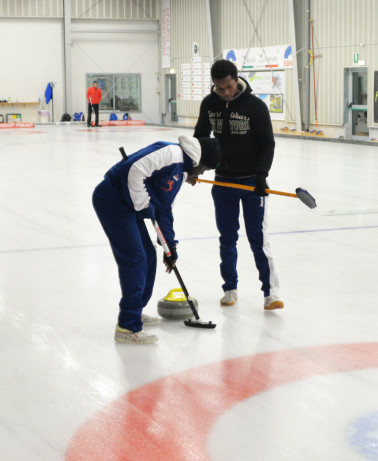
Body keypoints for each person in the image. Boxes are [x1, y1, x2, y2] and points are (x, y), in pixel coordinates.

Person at [92, 135, 221, 344]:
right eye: (205, 170)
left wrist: (169, 246)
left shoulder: (180, 172)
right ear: (200, 161)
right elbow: (133, 170)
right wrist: (143, 203)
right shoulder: (172, 153)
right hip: (112, 200)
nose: (201, 176)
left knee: (149, 256)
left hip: (127, 206)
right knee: (135, 259)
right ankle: (127, 326)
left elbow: (163, 209)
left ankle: (135, 311)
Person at [193, 58, 283, 310]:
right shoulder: (210, 103)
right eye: (220, 88)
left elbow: (268, 143)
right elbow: (200, 137)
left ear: (236, 80)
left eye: (229, 87)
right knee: (227, 238)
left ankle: (270, 292)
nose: (225, 93)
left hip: (251, 182)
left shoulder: (255, 107)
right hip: (223, 182)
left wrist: (261, 175)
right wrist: (196, 166)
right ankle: (230, 288)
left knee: (258, 239)